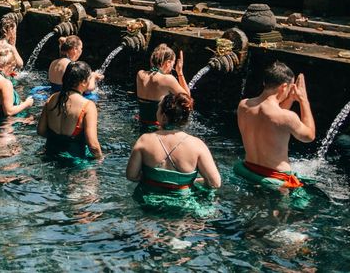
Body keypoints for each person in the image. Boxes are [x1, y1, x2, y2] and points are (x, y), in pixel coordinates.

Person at [126, 92, 221, 210]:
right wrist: (194, 182)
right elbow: (215, 183)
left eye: (158, 109)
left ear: (164, 117)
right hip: (184, 206)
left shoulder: (145, 140)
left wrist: (155, 181)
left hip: (148, 203)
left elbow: (131, 175)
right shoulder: (197, 145)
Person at [234, 61, 315, 190]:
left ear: (265, 83)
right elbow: (309, 136)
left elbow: (272, 119)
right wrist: (303, 99)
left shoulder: (243, 106)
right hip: (276, 181)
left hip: (248, 171)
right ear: (284, 87)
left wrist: (289, 99)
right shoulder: (288, 117)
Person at [37, 61, 103, 160]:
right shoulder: (88, 106)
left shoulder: (52, 98)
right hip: (74, 163)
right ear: (84, 82)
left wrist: (58, 141)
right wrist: (100, 159)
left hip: (50, 155)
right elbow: (93, 145)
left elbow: (41, 131)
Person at [136, 44, 189, 128]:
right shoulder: (167, 79)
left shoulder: (140, 74)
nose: (172, 68)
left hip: (140, 123)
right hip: (156, 127)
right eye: (173, 64)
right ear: (168, 63)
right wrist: (180, 72)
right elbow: (187, 98)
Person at [0, 48, 34, 117]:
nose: (12, 71)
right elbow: (8, 112)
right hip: (6, 125)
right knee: (31, 119)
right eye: (13, 68)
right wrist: (26, 103)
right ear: (9, 66)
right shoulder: (5, 83)